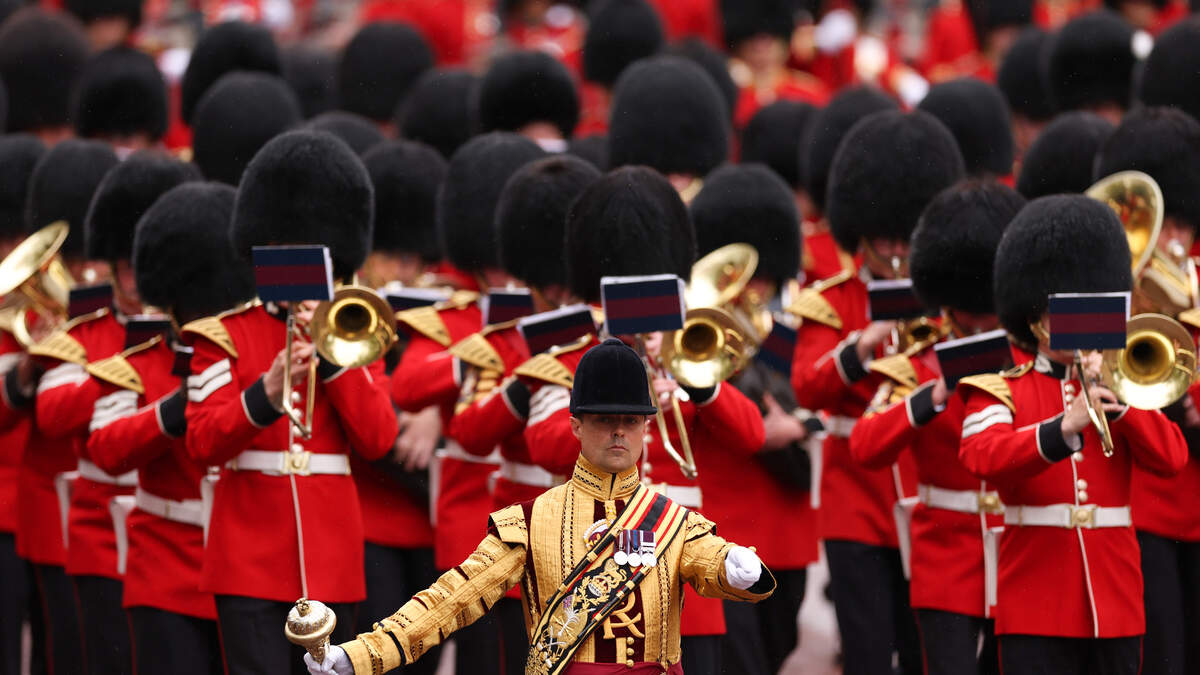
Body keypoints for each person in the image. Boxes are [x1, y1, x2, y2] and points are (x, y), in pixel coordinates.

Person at [306, 337, 776, 675]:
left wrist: (734, 565)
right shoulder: (531, 521)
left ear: (646, 429)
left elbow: (708, 561)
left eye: (631, 421)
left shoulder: (674, 521)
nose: (619, 431)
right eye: (604, 420)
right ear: (575, 426)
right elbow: (451, 600)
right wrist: (362, 655)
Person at [183, 130, 400, 675]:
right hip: (247, 560)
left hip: (332, 559)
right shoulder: (224, 336)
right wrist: (263, 395)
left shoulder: (352, 332)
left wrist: (332, 358)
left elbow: (379, 437)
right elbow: (202, 441)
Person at [958, 195, 1188, 675]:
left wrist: (1122, 404)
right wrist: (1063, 428)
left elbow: (1172, 459)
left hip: (1116, 602)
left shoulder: (1123, 388)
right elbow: (982, 455)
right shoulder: (1002, 388)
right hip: (1036, 602)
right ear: (1035, 318)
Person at [789, 110, 965, 675]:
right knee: (865, 649)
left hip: (919, 488)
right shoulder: (832, 300)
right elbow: (807, 385)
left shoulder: (938, 302)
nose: (893, 250)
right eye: (882, 238)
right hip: (853, 497)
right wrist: (860, 347)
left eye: (902, 238)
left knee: (920, 650)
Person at [849, 180, 1027, 675]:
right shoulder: (919, 364)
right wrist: (933, 396)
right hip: (946, 555)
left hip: (1018, 551)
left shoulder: (1027, 358)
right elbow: (866, 445)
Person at [85, 181, 253, 675]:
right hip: (164, 565)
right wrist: (174, 411)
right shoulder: (137, 361)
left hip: (244, 565)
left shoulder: (256, 355)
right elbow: (106, 449)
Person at [688, 163, 816, 675]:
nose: (753, 285)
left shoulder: (794, 327)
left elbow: (823, 395)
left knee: (779, 644)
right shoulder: (698, 330)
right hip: (724, 517)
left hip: (785, 521)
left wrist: (797, 425)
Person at [1093, 107, 1200, 675]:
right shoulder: (1113, 295)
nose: (1172, 239)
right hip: (1141, 507)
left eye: (1182, 224)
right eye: (1167, 224)